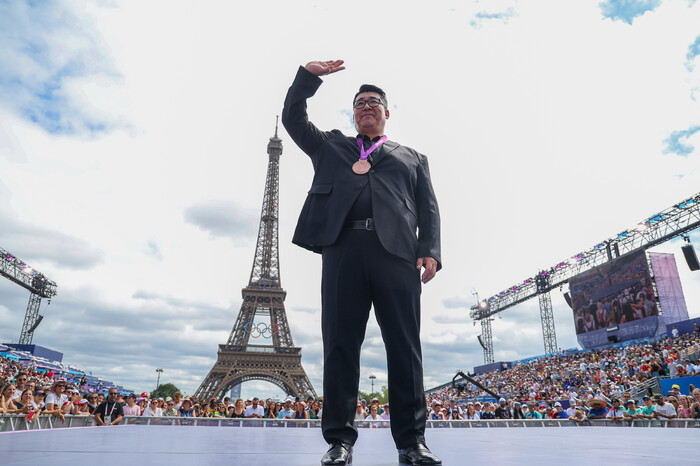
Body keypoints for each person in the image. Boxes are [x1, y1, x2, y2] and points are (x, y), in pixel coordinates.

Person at [283, 59, 442, 466]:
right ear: (353, 114)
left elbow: (428, 208)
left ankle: (412, 442)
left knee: (405, 349)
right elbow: (293, 119)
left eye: (374, 101)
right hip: (343, 249)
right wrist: (308, 75)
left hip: (397, 254)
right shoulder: (331, 145)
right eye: (359, 103)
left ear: (387, 112)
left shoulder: (412, 157)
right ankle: (339, 441)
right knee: (340, 346)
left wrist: (431, 250)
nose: (366, 106)